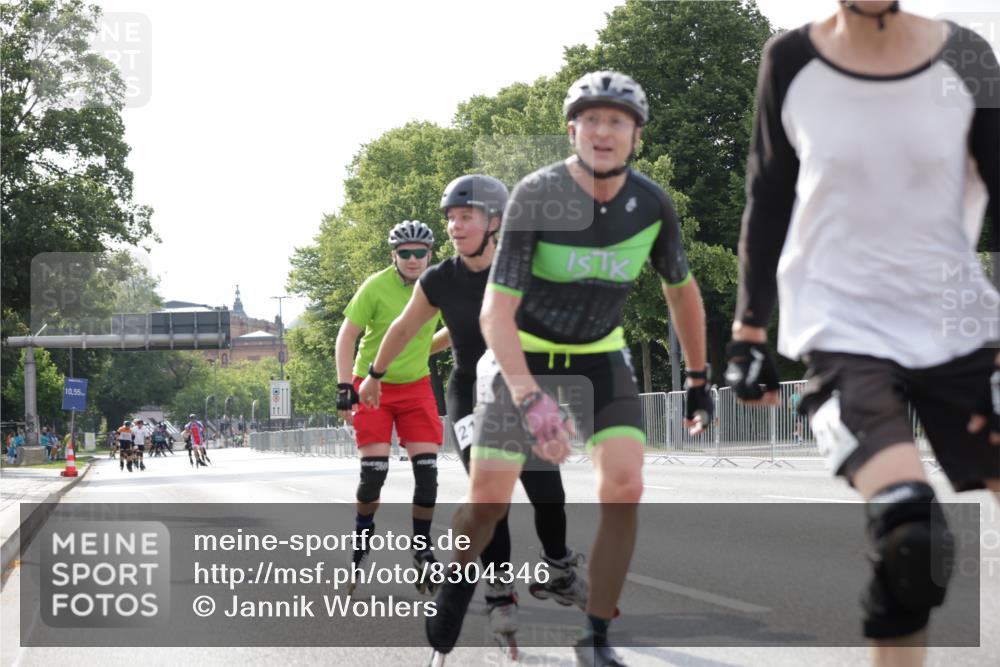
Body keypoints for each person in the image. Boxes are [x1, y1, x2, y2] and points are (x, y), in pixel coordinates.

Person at [724, 3, 999, 666]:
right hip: (843, 326)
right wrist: (749, 330)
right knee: (914, 543)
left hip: (957, 320)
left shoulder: (966, 56)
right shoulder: (790, 59)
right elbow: (769, 195)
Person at [426, 71, 712, 667]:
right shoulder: (537, 196)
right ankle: (457, 581)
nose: (603, 132)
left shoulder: (652, 204)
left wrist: (697, 379)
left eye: (618, 121)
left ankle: (597, 638)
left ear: (635, 134)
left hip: (601, 359)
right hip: (521, 358)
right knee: (488, 503)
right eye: (591, 120)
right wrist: (531, 398)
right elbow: (493, 314)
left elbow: (681, 293)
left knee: (625, 487)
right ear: (571, 130)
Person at [359, 175, 588, 651]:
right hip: (470, 393)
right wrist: (375, 374)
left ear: (495, 222)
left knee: (549, 493)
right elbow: (404, 329)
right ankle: (500, 589)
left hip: (522, 390)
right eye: (451, 219)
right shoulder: (440, 278)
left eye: (466, 218)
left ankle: (559, 567)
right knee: (491, 497)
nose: (455, 227)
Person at [335, 219, 451, 594]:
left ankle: (422, 551)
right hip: (372, 385)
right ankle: (362, 544)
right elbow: (347, 336)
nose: (414, 259)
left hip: (416, 386)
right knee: (373, 474)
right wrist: (343, 388)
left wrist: (419, 348)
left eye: (420, 253)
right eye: (406, 253)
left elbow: (458, 326)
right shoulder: (376, 286)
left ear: (430, 255)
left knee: (429, 473)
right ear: (394, 255)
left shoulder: (438, 284)